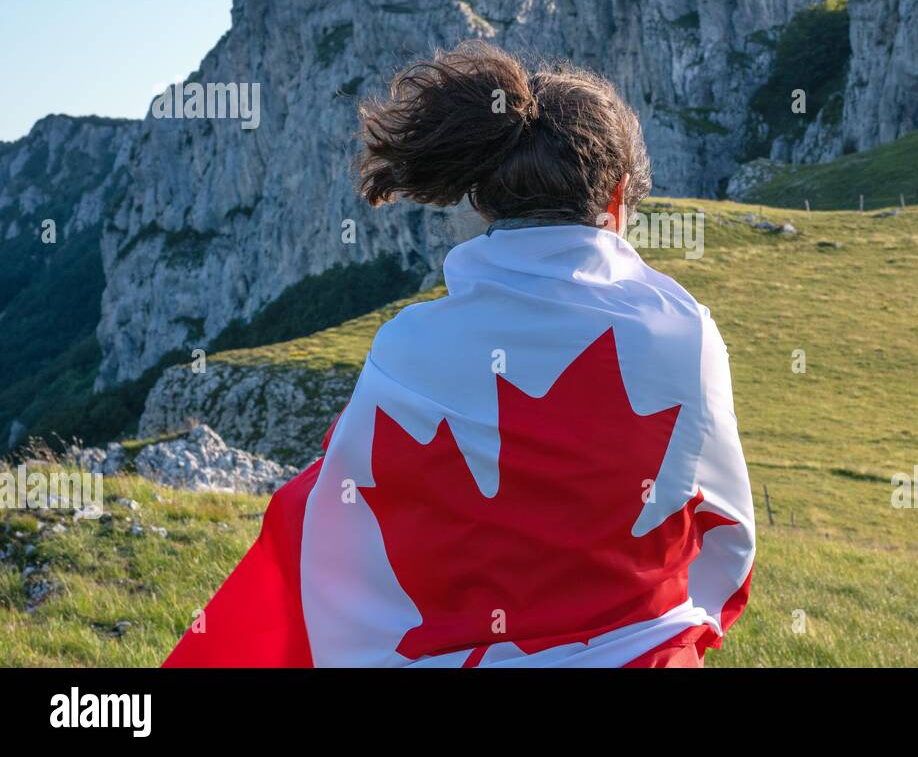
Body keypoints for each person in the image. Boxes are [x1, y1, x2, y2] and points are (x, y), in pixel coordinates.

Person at [165, 41, 755, 668]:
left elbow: (341, 520)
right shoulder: (685, 332)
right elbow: (729, 535)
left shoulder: (407, 345)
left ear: (481, 202)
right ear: (615, 200)